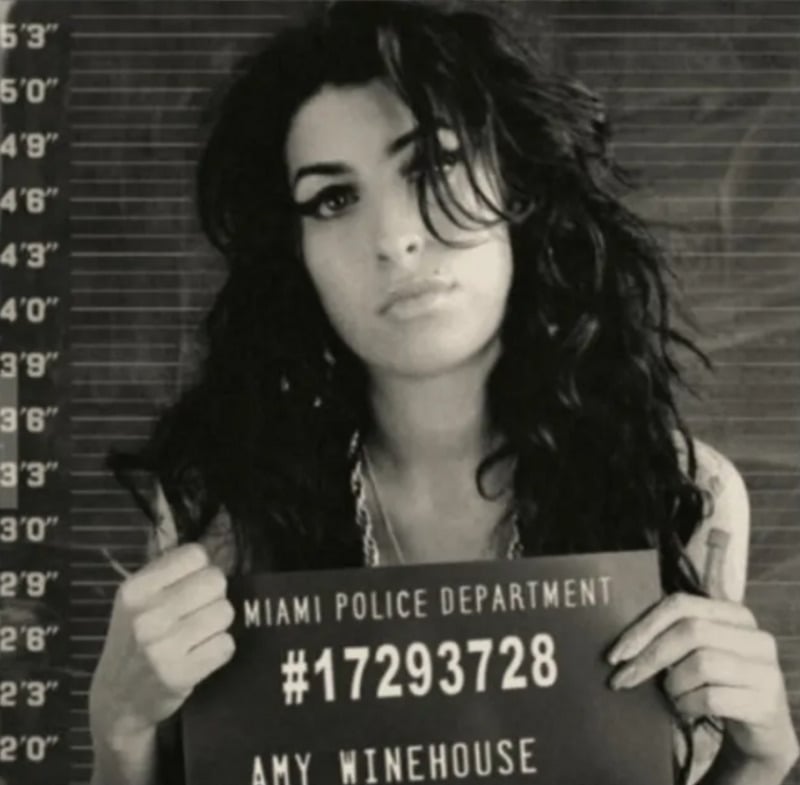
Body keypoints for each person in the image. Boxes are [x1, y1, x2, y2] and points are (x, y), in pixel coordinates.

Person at [87, 2, 798, 784]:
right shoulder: (218, 514)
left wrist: (760, 757)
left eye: (431, 166)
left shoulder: (683, 495)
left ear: (517, 194)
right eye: (332, 198)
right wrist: (120, 733)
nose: (393, 236)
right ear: (297, 258)